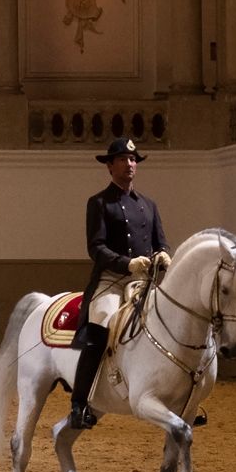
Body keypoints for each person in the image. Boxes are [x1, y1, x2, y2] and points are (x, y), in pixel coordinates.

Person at [70, 136, 170, 429]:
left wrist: (163, 254)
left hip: (144, 281)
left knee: (172, 322)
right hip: (112, 279)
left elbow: (160, 242)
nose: (130, 164)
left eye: (133, 159)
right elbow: (96, 248)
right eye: (124, 160)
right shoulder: (99, 203)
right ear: (110, 166)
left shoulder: (149, 205)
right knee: (101, 326)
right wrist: (126, 263)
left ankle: (181, 396)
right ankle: (79, 403)